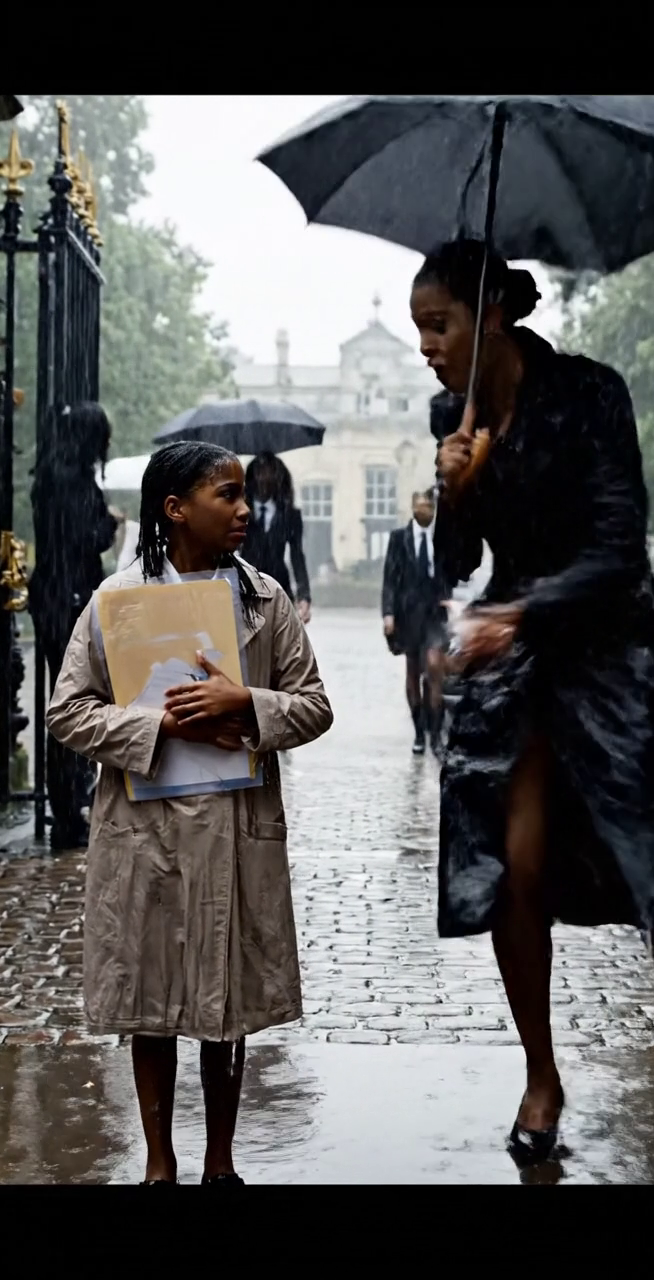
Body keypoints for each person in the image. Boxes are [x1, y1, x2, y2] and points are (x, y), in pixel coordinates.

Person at [410, 238, 654, 1185]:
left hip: (606, 646)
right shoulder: (450, 411)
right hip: (518, 662)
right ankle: (541, 1078)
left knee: (650, 864)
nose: (425, 345)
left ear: (493, 316)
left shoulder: (590, 393)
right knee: (515, 867)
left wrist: (521, 612)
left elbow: (622, 546)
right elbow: (456, 564)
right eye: (418, 328)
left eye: (439, 325)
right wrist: (455, 494)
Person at [46, 441, 333, 1185]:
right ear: (175, 509)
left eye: (243, 496)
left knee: (225, 999)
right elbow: (67, 711)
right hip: (145, 828)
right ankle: (159, 1162)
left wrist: (249, 704)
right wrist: (155, 726)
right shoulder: (117, 603)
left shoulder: (264, 601)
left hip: (238, 828)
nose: (244, 510)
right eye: (226, 496)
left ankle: (220, 1161)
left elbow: (314, 706)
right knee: (150, 994)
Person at [29, 402, 118, 851]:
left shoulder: (49, 474)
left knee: (66, 699)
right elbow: (90, 536)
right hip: (70, 598)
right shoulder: (73, 480)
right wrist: (111, 522)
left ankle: (68, 800)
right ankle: (68, 808)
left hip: (52, 595)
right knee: (74, 701)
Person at [382, 489, 449, 756]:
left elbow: (452, 571)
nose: (425, 511)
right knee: (412, 672)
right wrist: (388, 614)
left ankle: (435, 732)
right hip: (408, 614)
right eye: (421, 506)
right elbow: (390, 578)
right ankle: (419, 733)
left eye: (429, 507)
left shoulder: (443, 537)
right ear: (412, 507)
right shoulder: (399, 539)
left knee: (434, 668)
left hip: (436, 613)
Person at [243, 452, 312, 624]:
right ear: (252, 477)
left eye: (269, 472)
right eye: (259, 472)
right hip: (245, 586)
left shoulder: (290, 515)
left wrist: (304, 596)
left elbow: (297, 556)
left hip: (279, 585)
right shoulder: (241, 512)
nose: (264, 479)